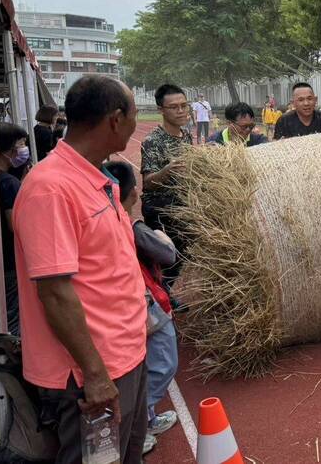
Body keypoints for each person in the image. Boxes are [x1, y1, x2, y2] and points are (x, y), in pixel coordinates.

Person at [12, 75, 147, 464]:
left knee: (126, 456)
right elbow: (54, 292)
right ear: (116, 119)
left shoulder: (93, 176)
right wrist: (96, 376)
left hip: (124, 354)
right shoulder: (51, 189)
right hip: (93, 371)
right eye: (135, 113)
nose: (135, 122)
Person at [103, 161, 179, 455]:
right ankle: (140, 424)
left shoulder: (112, 219)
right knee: (163, 363)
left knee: (143, 365)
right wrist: (163, 238)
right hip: (147, 304)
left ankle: (146, 419)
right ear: (131, 193)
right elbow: (167, 254)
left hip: (130, 306)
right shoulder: (132, 226)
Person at [141, 84, 192, 299]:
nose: (181, 111)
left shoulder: (186, 136)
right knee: (165, 258)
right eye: (174, 107)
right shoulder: (153, 141)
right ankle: (156, 299)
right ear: (161, 110)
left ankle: (164, 294)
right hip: (161, 208)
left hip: (182, 205)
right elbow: (147, 183)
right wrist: (166, 171)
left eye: (183, 106)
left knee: (183, 254)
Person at [0, 122, 29, 334]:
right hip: (9, 264)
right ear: (6, 151)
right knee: (13, 319)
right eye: (19, 146)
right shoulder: (8, 183)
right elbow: (15, 224)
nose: (22, 151)